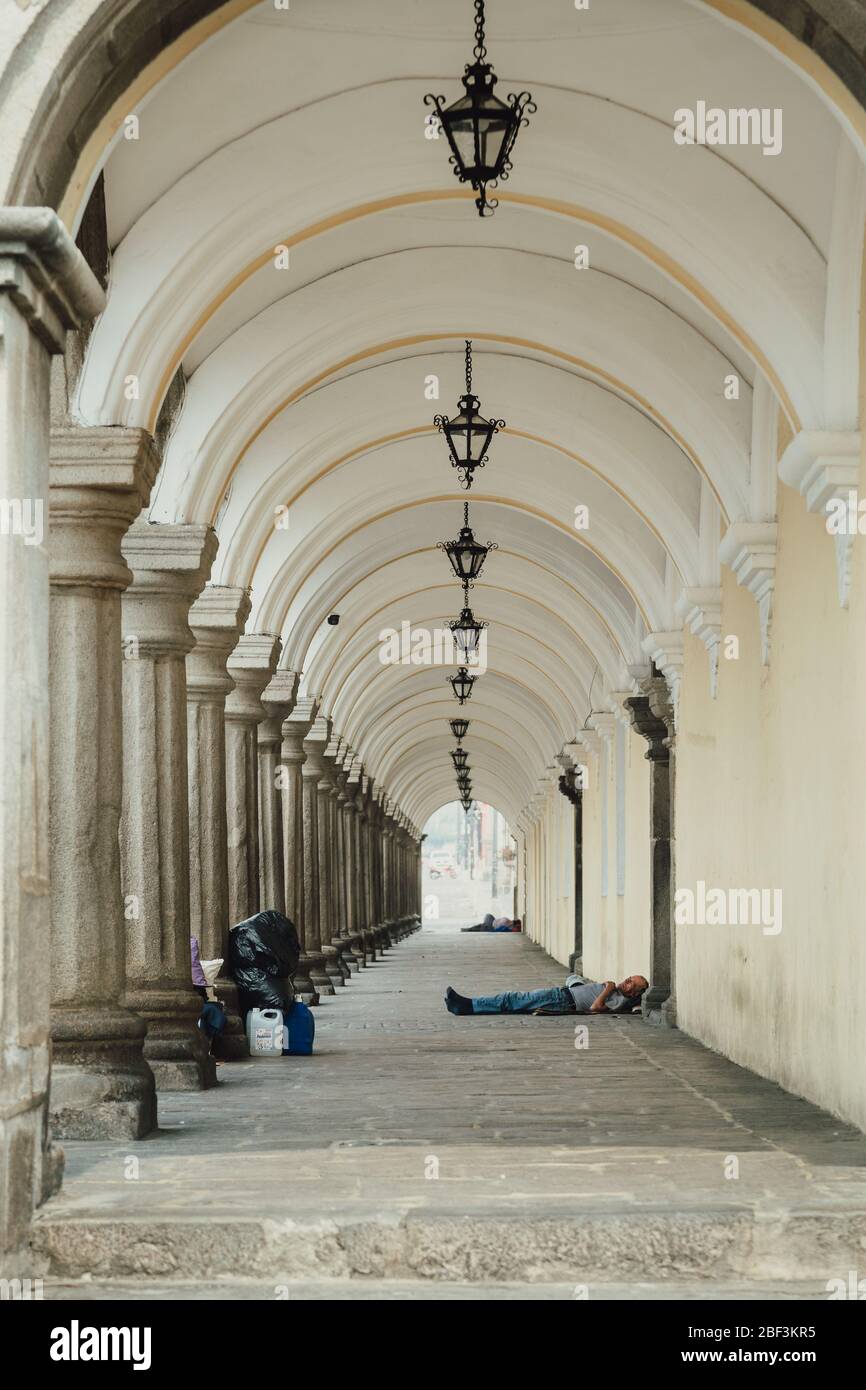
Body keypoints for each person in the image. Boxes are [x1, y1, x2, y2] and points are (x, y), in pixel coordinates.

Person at [444, 972, 648, 1016]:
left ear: (635, 993)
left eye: (631, 983)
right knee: (514, 1002)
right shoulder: (616, 990)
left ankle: (466, 1006)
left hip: (562, 1000)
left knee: (511, 999)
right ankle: (468, 1005)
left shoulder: (619, 999)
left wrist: (608, 988)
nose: (626, 981)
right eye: (629, 978)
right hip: (563, 994)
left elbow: (595, 1008)